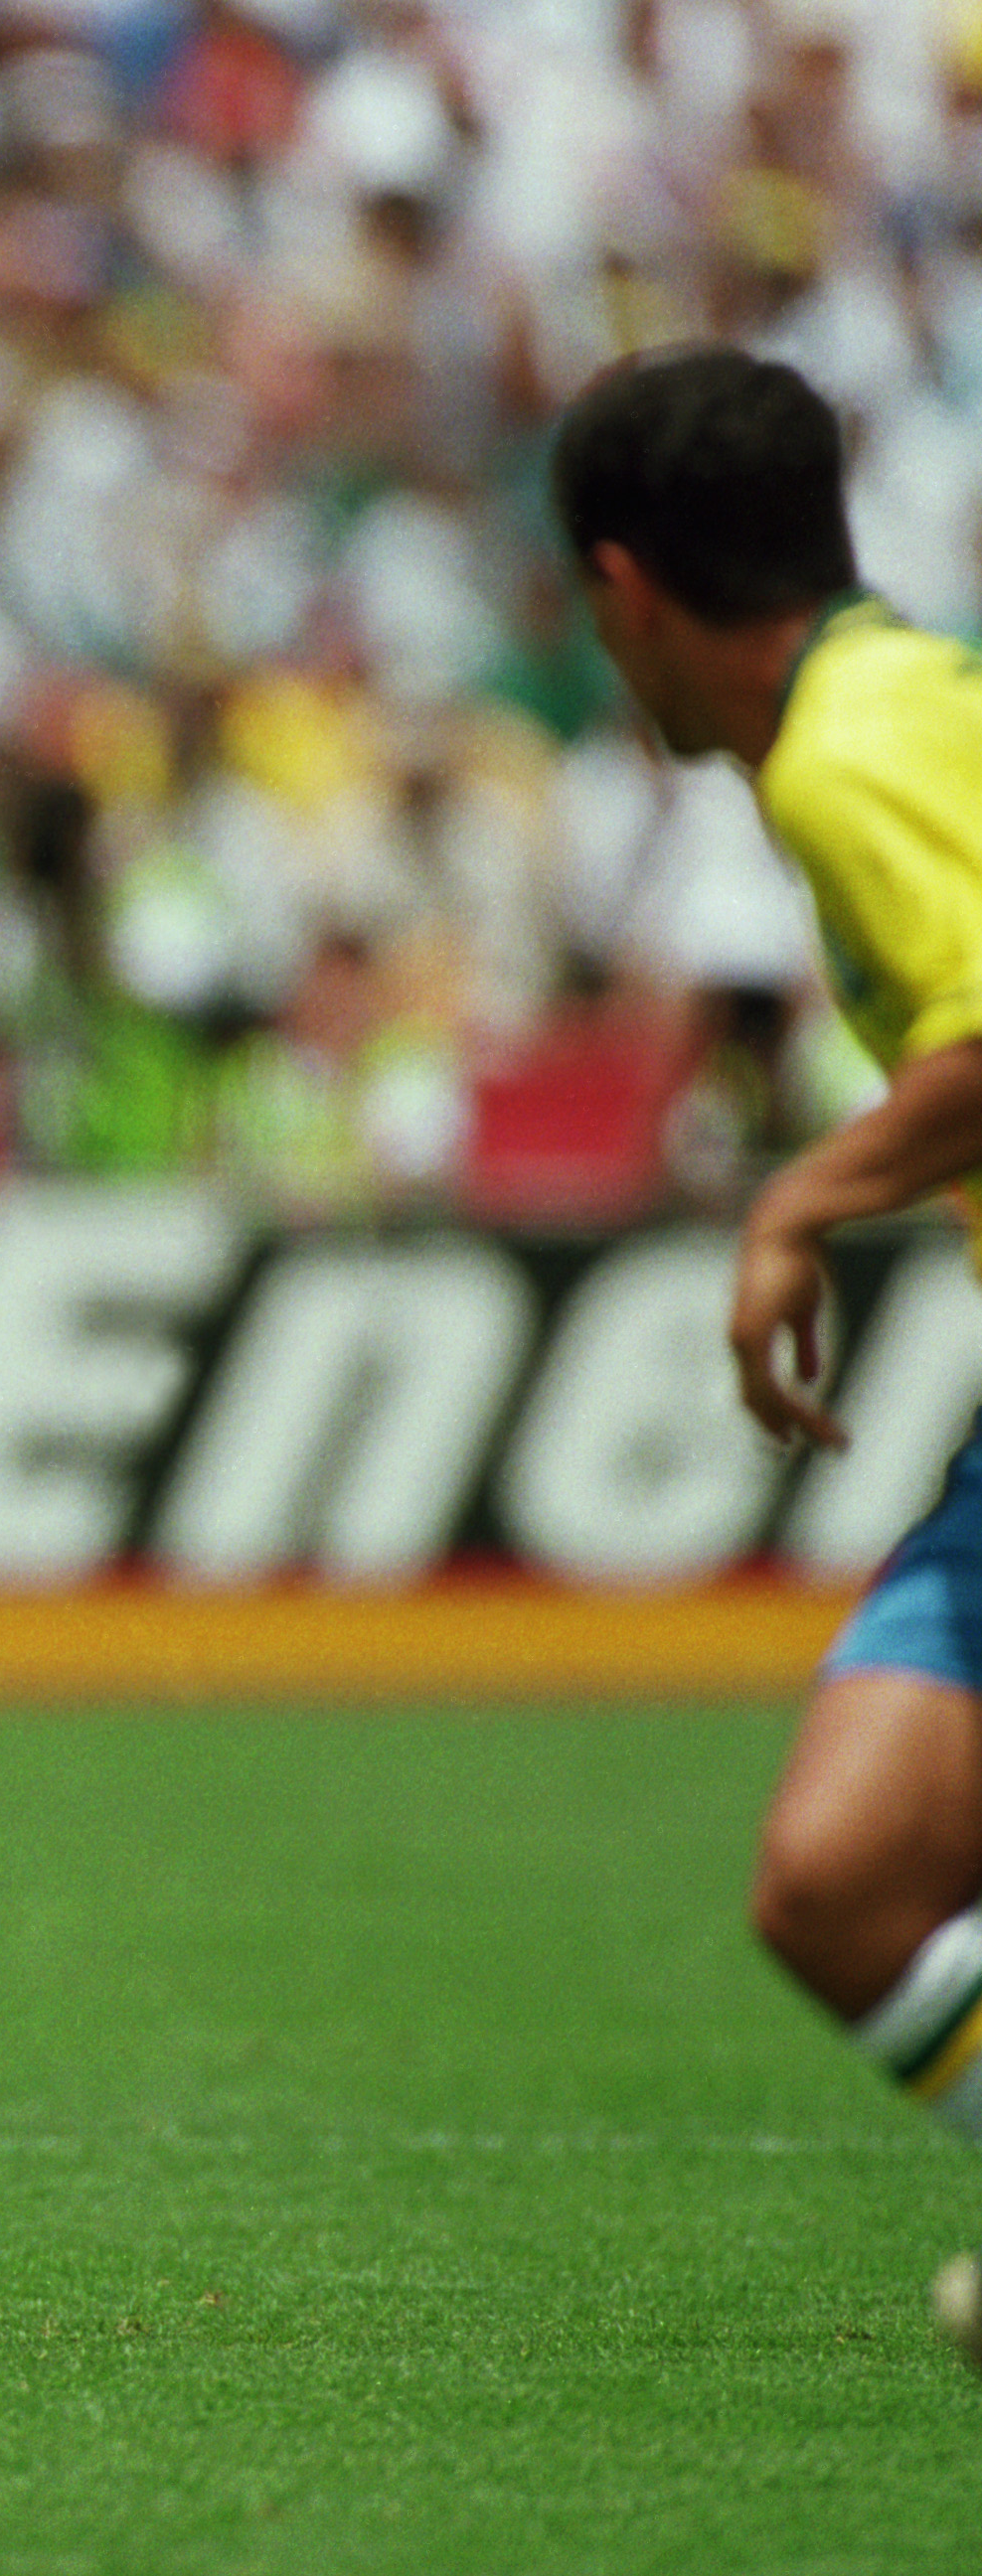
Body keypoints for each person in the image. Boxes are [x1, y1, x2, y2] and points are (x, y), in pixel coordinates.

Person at [552, 342, 982, 2364]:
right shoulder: (901, 699)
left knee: (837, 1878)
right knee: (832, 1878)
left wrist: (795, 1199)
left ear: (624, 590)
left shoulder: (849, 748)